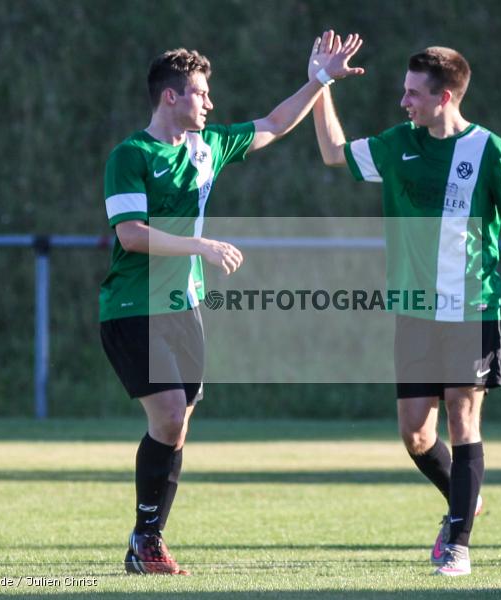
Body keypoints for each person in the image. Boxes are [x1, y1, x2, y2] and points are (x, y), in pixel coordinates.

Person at [99, 35, 364, 575]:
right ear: (170, 97)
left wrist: (320, 79)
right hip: (132, 306)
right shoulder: (131, 156)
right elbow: (130, 234)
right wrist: (200, 246)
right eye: (200, 93)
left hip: (185, 307)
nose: (209, 102)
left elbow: (274, 123)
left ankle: (146, 541)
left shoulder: (208, 147)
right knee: (168, 414)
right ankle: (145, 540)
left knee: (177, 425)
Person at [310, 38, 501, 576]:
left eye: (413, 94)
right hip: (415, 311)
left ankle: (458, 545)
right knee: (416, 434)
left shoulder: (490, 150)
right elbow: (333, 152)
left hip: (472, 307)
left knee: (462, 416)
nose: (404, 101)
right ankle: (466, 498)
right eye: (405, 91)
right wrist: (320, 83)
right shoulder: (397, 143)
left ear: (444, 97)